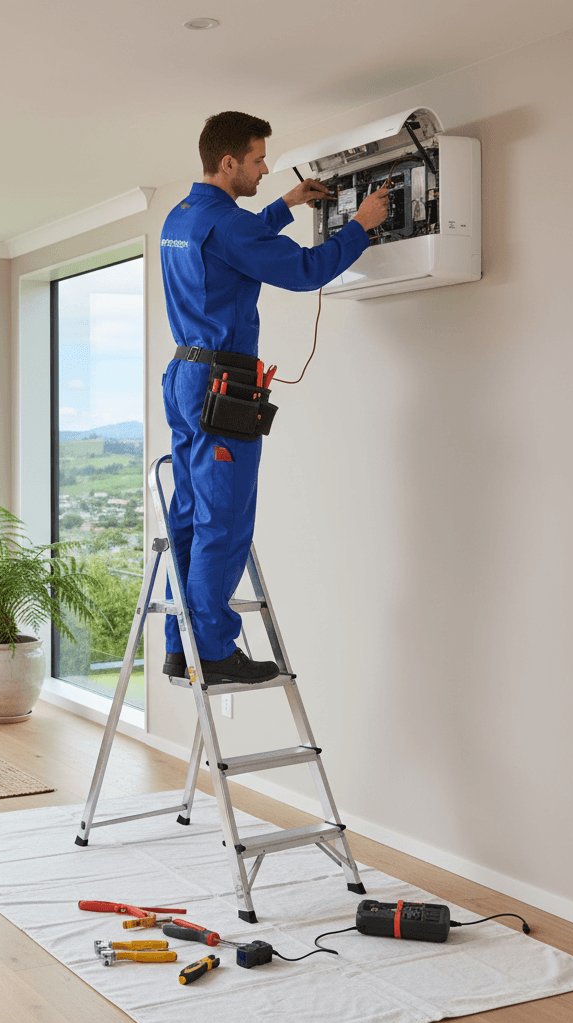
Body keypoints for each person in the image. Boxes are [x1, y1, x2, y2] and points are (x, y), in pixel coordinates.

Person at [160, 110, 389, 684]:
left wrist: (285, 205)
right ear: (228, 162)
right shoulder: (228, 225)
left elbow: (232, 242)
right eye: (258, 160)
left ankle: (180, 647)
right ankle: (214, 653)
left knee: (189, 516)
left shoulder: (181, 216)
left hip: (185, 376)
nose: (265, 170)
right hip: (223, 387)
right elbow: (306, 270)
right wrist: (360, 226)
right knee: (223, 520)